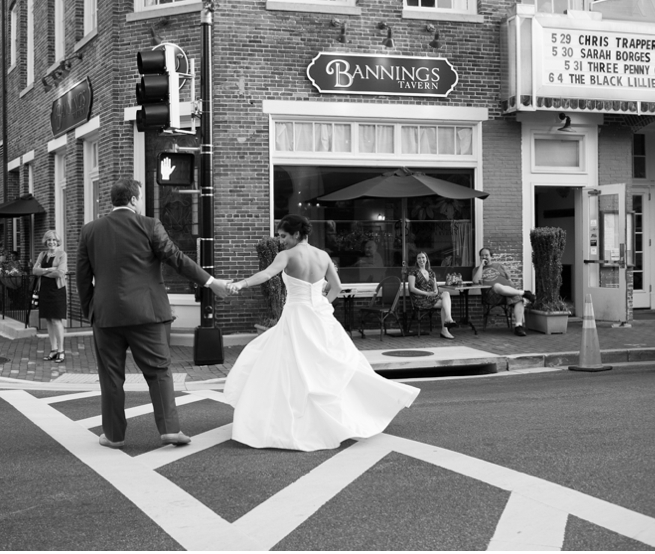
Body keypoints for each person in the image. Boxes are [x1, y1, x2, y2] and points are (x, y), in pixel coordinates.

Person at [225, 214, 420, 452]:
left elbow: (267, 275)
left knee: (290, 367)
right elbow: (337, 287)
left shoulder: (286, 255)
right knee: (326, 365)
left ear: (296, 234)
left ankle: (289, 419)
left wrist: (241, 284)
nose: (280, 239)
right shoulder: (324, 255)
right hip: (319, 315)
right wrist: (323, 304)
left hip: (296, 316)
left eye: (283, 235)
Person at [76, 178, 231, 449]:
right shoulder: (149, 225)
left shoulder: (90, 230)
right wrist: (210, 282)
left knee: (110, 376)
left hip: (105, 315)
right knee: (159, 371)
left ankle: (114, 435)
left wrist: (91, 310)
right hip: (148, 314)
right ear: (134, 199)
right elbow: (176, 258)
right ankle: (170, 430)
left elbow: (82, 278)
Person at [473, 247, 536, 337]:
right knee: (496, 285)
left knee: (519, 299)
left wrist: (512, 288)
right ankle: (524, 293)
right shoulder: (477, 270)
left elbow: (509, 280)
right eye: (482, 256)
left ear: (491, 256)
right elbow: (475, 281)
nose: (484, 257)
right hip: (492, 295)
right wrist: (481, 266)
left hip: (507, 293)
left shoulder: (499, 266)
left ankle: (518, 326)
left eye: (486, 255)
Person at [33, 230, 68, 363]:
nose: (51, 242)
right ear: (45, 241)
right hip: (45, 290)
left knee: (56, 320)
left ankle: (61, 350)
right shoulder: (42, 254)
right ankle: (53, 350)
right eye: (48, 240)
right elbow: (34, 271)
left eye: (53, 240)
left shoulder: (62, 254)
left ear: (57, 241)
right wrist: (48, 270)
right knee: (48, 320)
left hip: (57, 290)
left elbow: (60, 273)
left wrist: (43, 272)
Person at [407, 251, 457, 339]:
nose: (421, 260)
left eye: (423, 257)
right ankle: (445, 329)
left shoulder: (431, 272)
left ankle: (448, 319)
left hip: (431, 298)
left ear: (426, 259)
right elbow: (412, 288)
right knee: (445, 305)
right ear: (416, 260)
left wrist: (435, 292)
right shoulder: (413, 272)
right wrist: (426, 293)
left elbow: (435, 288)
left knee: (446, 293)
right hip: (420, 299)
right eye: (419, 258)